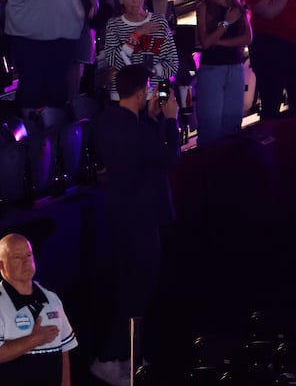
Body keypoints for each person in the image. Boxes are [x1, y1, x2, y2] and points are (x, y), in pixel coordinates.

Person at [91, 64, 179, 386]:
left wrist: (152, 119)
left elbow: (140, 152)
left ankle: (126, 353)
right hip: (142, 218)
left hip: (119, 215)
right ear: (142, 91)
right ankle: (109, 357)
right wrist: (170, 120)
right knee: (139, 291)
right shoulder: (138, 129)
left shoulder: (105, 121)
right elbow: (171, 158)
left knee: (130, 287)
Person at [0, 232, 77, 385]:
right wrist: (34, 339)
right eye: (17, 257)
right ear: (1, 265)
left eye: (29, 255)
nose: (26, 262)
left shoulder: (51, 298)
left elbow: (64, 351)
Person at [195, 0, 251, 147]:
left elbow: (247, 38)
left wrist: (218, 41)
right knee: (211, 123)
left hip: (235, 67)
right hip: (212, 69)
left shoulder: (239, 8)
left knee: (233, 121)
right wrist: (225, 24)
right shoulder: (204, 7)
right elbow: (205, 42)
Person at [102, 0, 177, 88]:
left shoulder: (159, 22)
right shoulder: (114, 26)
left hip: (153, 94)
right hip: (125, 96)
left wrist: (150, 71)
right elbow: (115, 62)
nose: (135, 1)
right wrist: (137, 34)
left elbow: (173, 63)